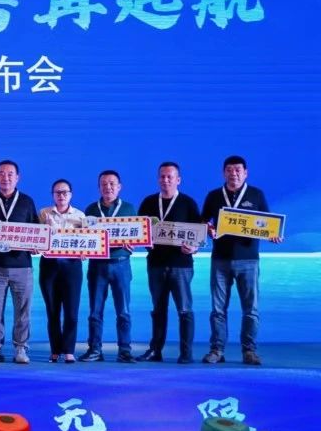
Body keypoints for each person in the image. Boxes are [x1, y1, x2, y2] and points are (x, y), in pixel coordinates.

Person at [200, 155, 278, 366]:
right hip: (220, 260)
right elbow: (203, 221)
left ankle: (249, 351)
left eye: (237, 170)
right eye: (229, 170)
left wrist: (273, 234)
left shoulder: (256, 194)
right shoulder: (214, 196)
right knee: (218, 310)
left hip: (249, 261)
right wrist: (208, 228)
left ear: (245, 173)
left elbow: (268, 223)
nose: (233, 174)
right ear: (223, 173)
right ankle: (217, 350)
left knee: (251, 309)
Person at [138, 162, 202, 363]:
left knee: (184, 309)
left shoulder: (188, 203)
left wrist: (194, 248)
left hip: (181, 265)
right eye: (162, 176)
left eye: (170, 177)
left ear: (178, 180)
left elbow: (199, 234)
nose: (165, 180)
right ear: (158, 179)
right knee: (158, 309)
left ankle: (186, 353)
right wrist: (143, 242)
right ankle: (155, 351)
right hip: (155, 264)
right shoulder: (149, 202)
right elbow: (139, 230)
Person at [0, 160, 39, 364]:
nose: (6, 177)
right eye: (2, 174)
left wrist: (36, 246)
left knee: (23, 311)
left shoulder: (27, 201)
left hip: (22, 266)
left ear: (17, 177)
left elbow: (36, 231)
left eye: (10, 174)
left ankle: (21, 348)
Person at [83, 170, 136, 362]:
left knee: (124, 311)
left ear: (119, 187)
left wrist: (134, 244)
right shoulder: (90, 210)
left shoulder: (129, 209)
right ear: (99, 187)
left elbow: (137, 235)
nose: (108, 187)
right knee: (95, 311)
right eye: (104, 184)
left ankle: (125, 350)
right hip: (97, 266)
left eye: (112, 183)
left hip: (121, 264)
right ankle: (95, 349)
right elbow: (85, 237)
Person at [38, 179, 87, 363]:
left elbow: (89, 242)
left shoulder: (81, 216)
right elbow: (36, 236)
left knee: (71, 312)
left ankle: (69, 350)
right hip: (49, 267)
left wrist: (86, 252)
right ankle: (55, 350)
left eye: (65, 192)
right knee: (52, 311)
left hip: (72, 268)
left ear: (71, 195)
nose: (61, 195)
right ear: (53, 195)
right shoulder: (43, 213)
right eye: (57, 192)